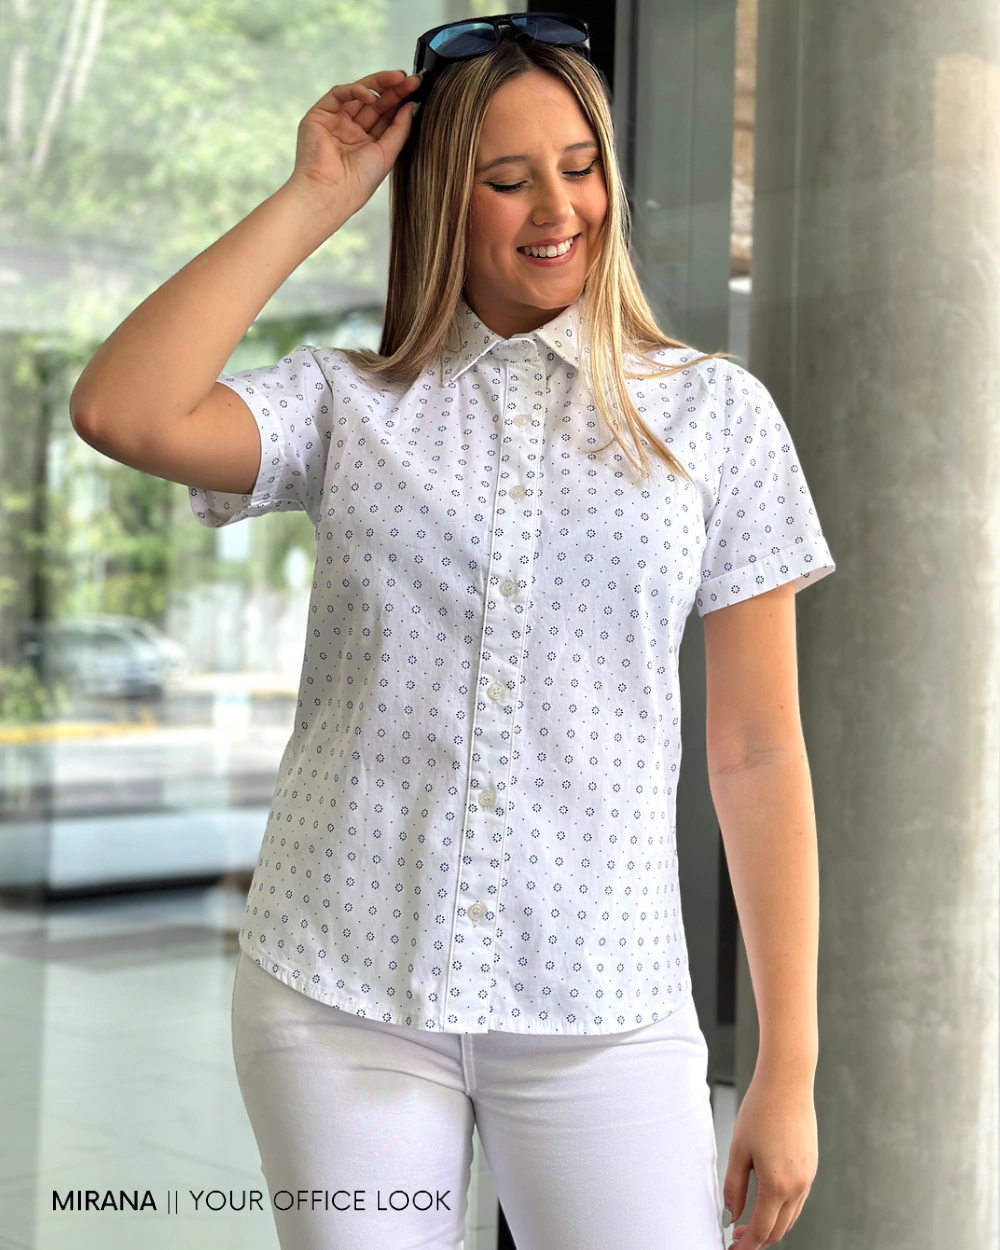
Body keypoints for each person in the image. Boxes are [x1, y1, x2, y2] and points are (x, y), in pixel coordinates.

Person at [69, 13, 833, 1250]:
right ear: (439, 198)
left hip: (602, 998)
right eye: (507, 177)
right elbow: (122, 408)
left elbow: (757, 752)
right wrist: (317, 194)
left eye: (579, 166)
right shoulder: (345, 404)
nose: (558, 207)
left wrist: (786, 1064)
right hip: (337, 992)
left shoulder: (716, 415)